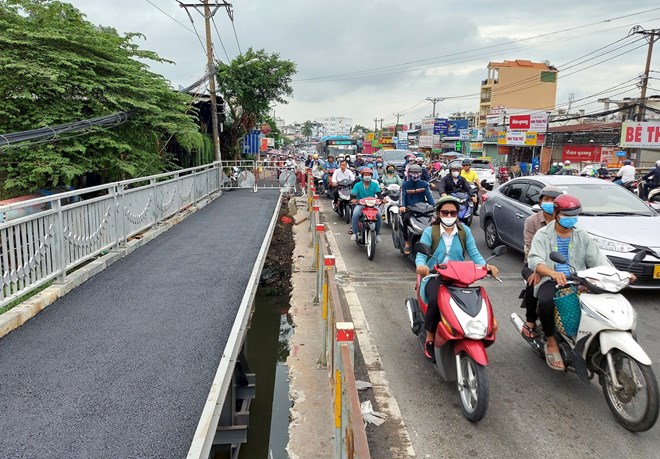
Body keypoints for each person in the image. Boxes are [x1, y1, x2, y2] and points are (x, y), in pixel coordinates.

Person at [527, 194, 635, 370]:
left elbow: (599, 260)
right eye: (567, 215)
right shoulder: (543, 234)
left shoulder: (582, 236)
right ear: (556, 213)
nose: (571, 219)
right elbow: (535, 260)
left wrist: (621, 275)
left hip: (580, 279)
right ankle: (551, 340)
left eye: (574, 216)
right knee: (546, 303)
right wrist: (552, 273)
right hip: (550, 279)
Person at [415, 196, 500, 360]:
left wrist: (485, 266)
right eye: (445, 212)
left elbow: (474, 253)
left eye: (452, 212)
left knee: (475, 301)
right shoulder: (430, 231)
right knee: (434, 301)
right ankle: (430, 338)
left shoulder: (464, 231)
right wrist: (421, 266)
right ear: (439, 213)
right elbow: (420, 255)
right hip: (435, 276)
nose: (449, 215)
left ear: (458, 214)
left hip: (459, 276)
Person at [519, 186, 563, 340]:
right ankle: (530, 321)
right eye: (546, 200)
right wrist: (538, 268)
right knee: (533, 281)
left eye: (553, 200)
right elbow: (529, 247)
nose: (550, 203)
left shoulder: (564, 219)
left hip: (559, 265)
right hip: (533, 264)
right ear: (541, 202)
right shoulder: (532, 221)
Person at [400, 164, 435, 255]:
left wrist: (434, 206)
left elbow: (429, 196)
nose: (415, 175)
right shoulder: (405, 184)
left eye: (417, 172)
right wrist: (402, 206)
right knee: (405, 220)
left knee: (433, 220)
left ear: (420, 173)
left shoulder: (424, 184)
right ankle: (406, 242)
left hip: (423, 209)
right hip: (409, 210)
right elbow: (402, 196)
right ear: (409, 173)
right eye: (413, 172)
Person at [350, 168, 382, 242]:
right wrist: (353, 199)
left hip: (372, 205)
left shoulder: (375, 184)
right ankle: (355, 233)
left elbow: (379, 194)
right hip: (361, 204)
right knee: (355, 214)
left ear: (371, 176)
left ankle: (377, 234)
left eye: (369, 175)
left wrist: (382, 199)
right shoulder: (357, 185)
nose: (367, 176)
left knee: (379, 215)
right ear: (362, 176)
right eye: (365, 175)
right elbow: (353, 194)